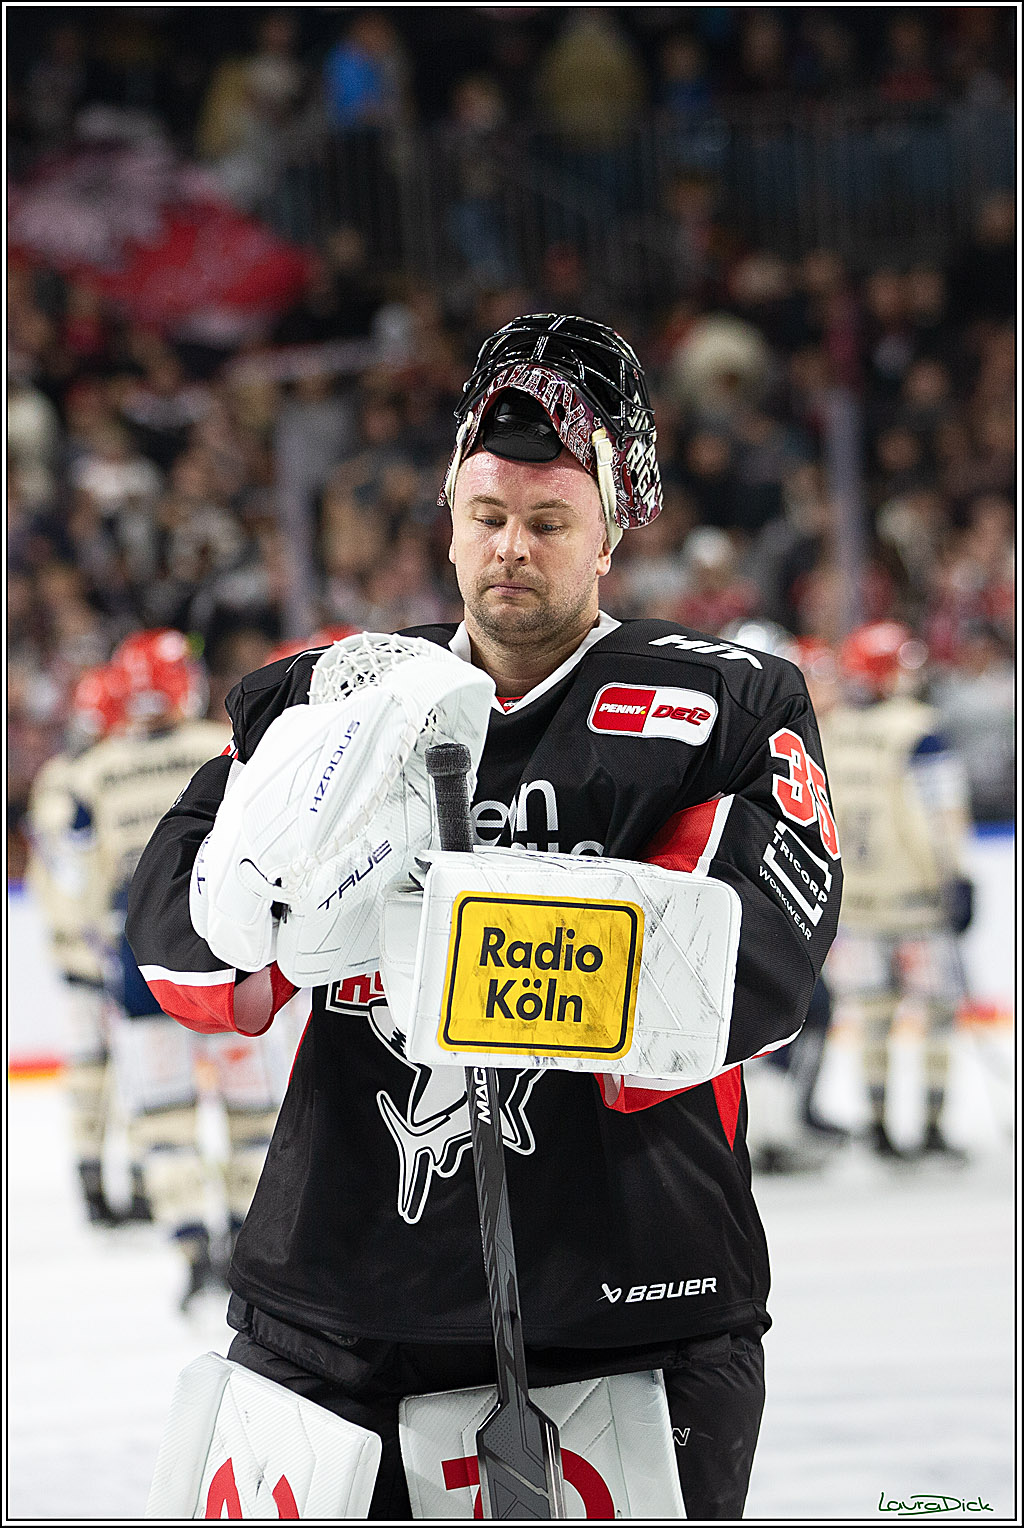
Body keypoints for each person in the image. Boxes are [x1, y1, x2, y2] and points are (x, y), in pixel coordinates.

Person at [127, 314, 842, 1518]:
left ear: (609, 533)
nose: (511, 547)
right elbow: (177, 949)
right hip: (329, 1316)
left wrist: (435, 938)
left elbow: (745, 975)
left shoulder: (726, 703)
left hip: (621, 1312)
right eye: (486, 517)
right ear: (450, 520)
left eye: (550, 522)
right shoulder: (335, 694)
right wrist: (271, 896)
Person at [72, 628, 290, 1307]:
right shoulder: (217, 746)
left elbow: (79, 876)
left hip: (141, 963)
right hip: (226, 950)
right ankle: (246, 1245)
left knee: (163, 1118)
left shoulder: (91, 771)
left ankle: (193, 1247)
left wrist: (94, 946)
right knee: (254, 1115)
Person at [819, 620, 973, 1162]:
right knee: (935, 1017)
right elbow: (940, 815)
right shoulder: (920, 731)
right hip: (918, 902)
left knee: (873, 1019)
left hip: (857, 905)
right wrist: (955, 878)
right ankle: (931, 1129)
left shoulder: (832, 732)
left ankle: (880, 1128)